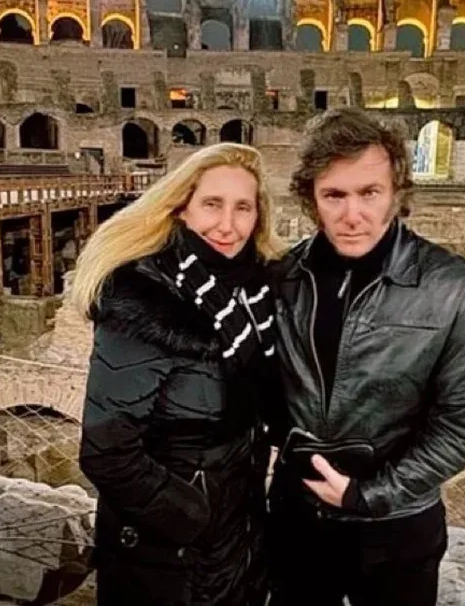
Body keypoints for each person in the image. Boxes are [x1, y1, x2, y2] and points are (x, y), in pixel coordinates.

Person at [265, 108, 465, 606]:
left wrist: (366, 495)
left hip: (397, 527)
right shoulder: (283, 277)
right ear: (312, 200)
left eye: (369, 193)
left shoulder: (453, 287)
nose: (353, 214)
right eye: (335, 195)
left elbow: (462, 423)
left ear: (396, 194)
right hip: (297, 517)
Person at [71, 143, 284, 606]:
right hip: (166, 552)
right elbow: (107, 453)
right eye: (212, 204)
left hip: (238, 540)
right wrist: (195, 517)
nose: (227, 225)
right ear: (181, 207)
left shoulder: (255, 296)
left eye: (242, 208)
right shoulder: (146, 302)